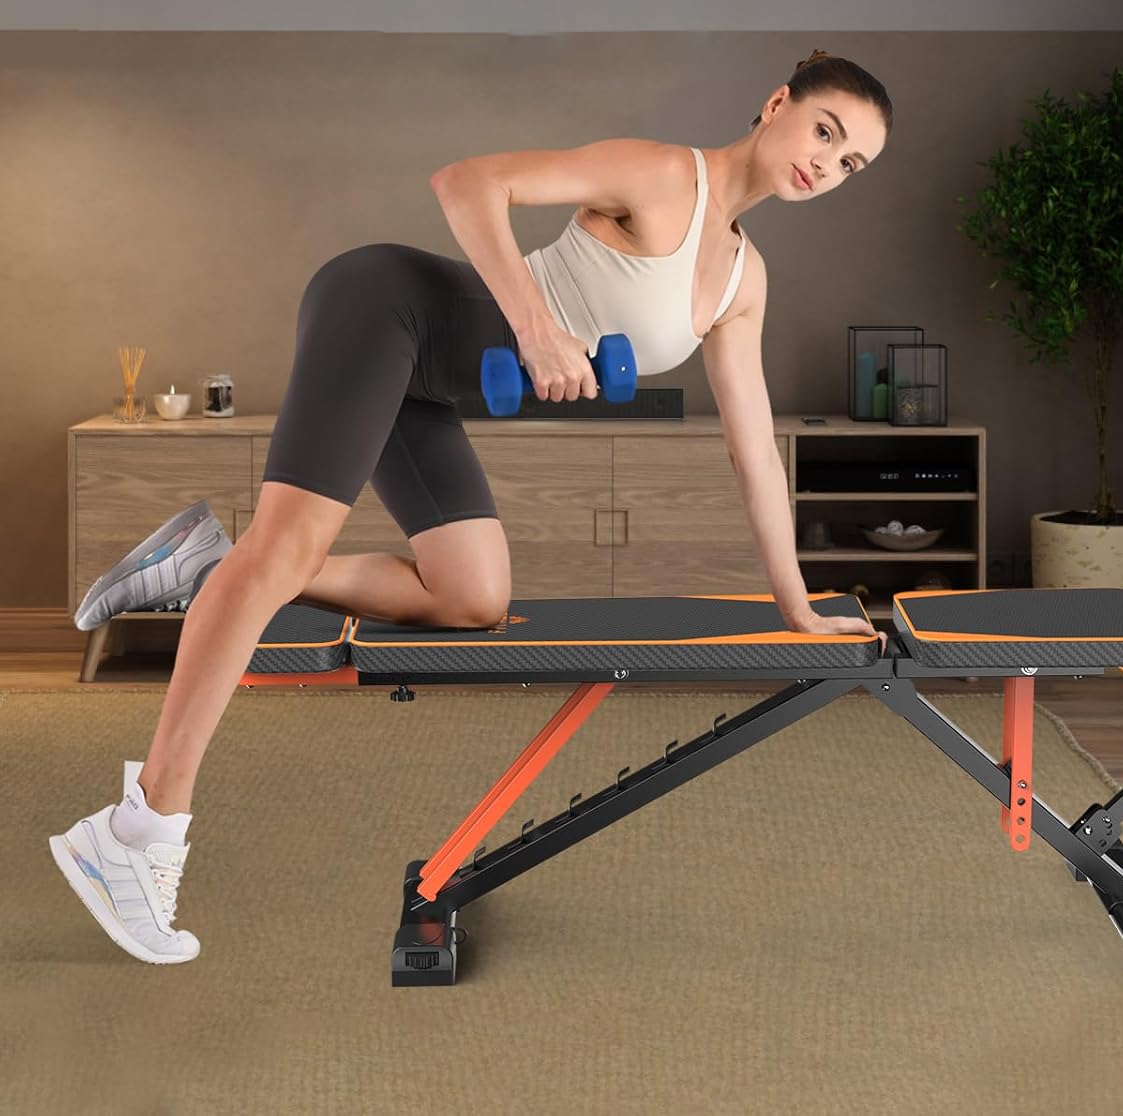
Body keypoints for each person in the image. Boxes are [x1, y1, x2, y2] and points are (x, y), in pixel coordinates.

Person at [50, 48, 894, 965]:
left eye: (851, 163)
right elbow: (468, 183)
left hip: (428, 389)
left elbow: (750, 449)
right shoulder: (660, 174)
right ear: (778, 104)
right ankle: (137, 831)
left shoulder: (742, 281)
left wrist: (796, 605)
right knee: (289, 550)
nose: (827, 163)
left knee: (472, 595)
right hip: (386, 309)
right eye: (826, 131)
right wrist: (536, 323)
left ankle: (210, 567)